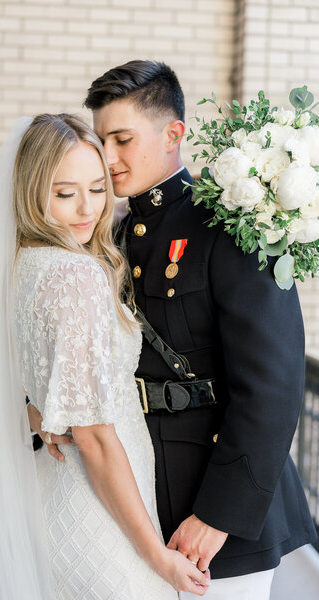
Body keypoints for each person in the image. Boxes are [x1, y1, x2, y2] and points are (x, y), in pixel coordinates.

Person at [29, 61, 318, 600]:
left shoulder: (230, 223)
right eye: (102, 141)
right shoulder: (110, 232)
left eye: (122, 139)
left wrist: (218, 514)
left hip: (221, 512)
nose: (108, 159)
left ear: (173, 134)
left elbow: (273, 387)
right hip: (138, 496)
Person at [0, 113, 210, 600]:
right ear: (31, 192)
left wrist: (37, 411)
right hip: (99, 511)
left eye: (97, 188)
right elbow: (96, 438)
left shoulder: (21, 265)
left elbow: (20, 380)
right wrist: (155, 557)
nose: (87, 208)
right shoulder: (74, 275)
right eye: (64, 194)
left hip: (57, 494)